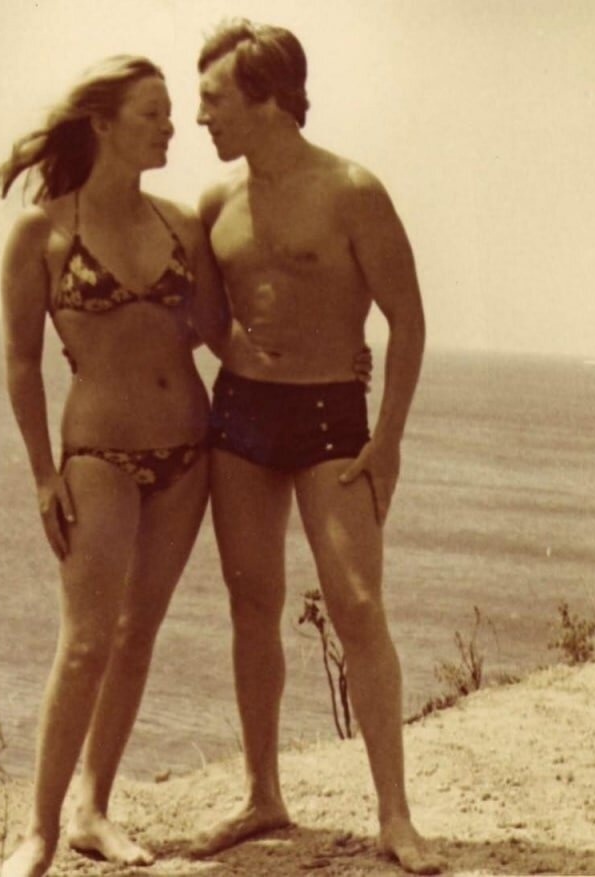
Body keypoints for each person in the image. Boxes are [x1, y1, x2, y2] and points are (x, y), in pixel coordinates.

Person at [189, 19, 445, 875]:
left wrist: (392, 437)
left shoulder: (351, 190)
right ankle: (264, 792)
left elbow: (407, 316)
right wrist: (234, 355)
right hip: (242, 418)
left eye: (215, 98)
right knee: (250, 603)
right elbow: (204, 317)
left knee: (359, 604)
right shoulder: (215, 204)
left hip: (335, 415)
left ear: (266, 98)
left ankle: (396, 816)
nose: (201, 117)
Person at [0, 55, 229, 876]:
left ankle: (93, 808)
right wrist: (40, 476)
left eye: (170, 113)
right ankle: (39, 831)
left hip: (187, 448)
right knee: (87, 641)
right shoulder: (43, 231)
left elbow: (217, 332)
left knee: (138, 633)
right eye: (153, 112)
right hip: (95, 454)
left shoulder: (182, 226)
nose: (172, 125)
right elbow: (23, 362)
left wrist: (316, 353)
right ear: (102, 122)